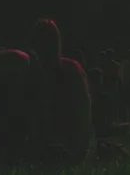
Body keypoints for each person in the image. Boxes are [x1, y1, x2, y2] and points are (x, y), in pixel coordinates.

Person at [28, 19, 94, 164]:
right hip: (61, 145)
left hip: (69, 146)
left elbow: (80, 116)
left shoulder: (69, 73)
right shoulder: (37, 74)